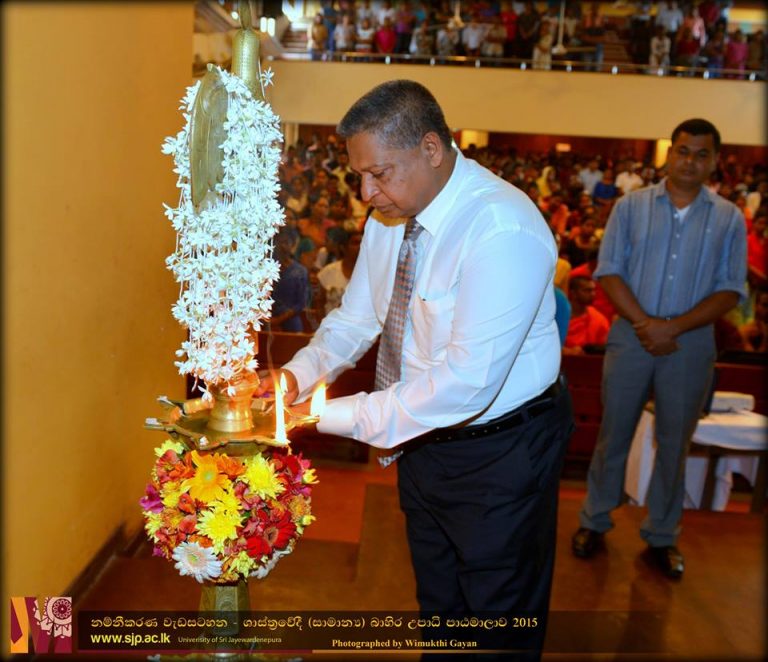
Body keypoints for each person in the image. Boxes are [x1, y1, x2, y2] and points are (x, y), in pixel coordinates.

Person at [256, 80, 573, 658]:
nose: (366, 193)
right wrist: (296, 378)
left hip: (501, 451)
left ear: (431, 148)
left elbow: (466, 385)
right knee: (441, 609)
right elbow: (357, 319)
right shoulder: (390, 215)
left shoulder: (501, 228)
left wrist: (319, 415)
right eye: (358, 176)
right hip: (421, 436)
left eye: (378, 173)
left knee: (499, 617)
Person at [571, 119, 747, 579]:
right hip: (631, 336)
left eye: (701, 154)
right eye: (683, 151)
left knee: (674, 441)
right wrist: (647, 325)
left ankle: (663, 535)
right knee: (614, 433)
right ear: (670, 154)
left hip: (691, 342)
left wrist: (674, 328)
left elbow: (731, 289)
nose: (690, 161)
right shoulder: (631, 206)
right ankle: (595, 519)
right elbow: (609, 271)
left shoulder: (728, 217)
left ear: (714, 161)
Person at [563, 276, 610, 353]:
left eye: (593, 290)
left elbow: (605, 348)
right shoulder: (559, 315)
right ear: (573, 293)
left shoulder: (598, 319)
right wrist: (567, 351)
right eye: (587, 290)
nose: (593, 294)